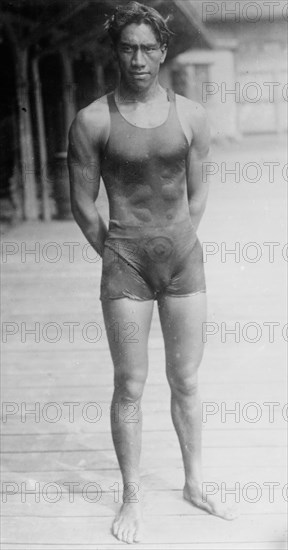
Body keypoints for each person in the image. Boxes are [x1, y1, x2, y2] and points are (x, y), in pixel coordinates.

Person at [68, 2, 236, 544]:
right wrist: (116, 254)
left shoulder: (191, 115)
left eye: (147, 48)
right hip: (126, 264)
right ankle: (132, 497)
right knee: (130, 385)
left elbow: (200, 190)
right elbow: (82, 205)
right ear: (116, 50)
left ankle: (194, 481)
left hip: (183, 258)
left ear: (163, 51)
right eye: (127, 47)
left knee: (185, 378)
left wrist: (178, 238)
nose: (138, 58)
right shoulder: (93, 119)